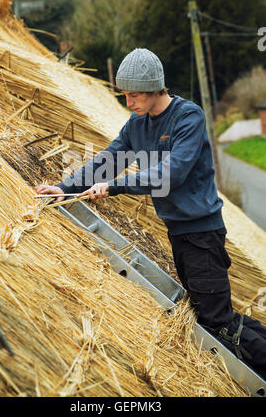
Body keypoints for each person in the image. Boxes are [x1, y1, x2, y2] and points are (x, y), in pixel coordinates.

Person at [36, 48, 266, 380]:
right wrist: (64, 188)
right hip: (179, 234)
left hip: (202, 234)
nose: (129, 102)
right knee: (217, 315)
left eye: (134, 94)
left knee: (217, 322)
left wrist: (116, 188)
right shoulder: (137, 125)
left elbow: (171, 174)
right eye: (125, 95)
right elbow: (108, 161)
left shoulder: (188, 118)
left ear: (156, 87)